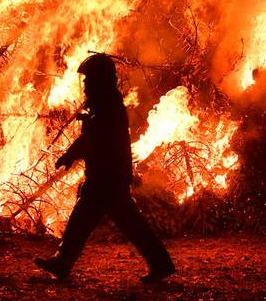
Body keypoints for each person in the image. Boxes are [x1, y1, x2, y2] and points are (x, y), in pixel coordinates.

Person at [35, 53, 175, 283]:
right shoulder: (104, 103)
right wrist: (70, 155)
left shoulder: (107, 106)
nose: (85, 85)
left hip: (107, 178)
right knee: (115, 223)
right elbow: (91, 137)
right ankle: (161, 264)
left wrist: (72, 154)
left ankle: (62, 263)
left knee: (106, 222)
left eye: (89, 80)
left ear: (101, 80)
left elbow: (94, 139)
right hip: (107, 177)